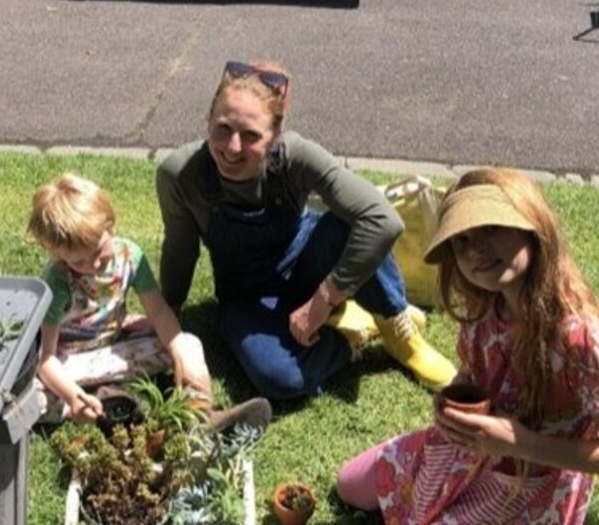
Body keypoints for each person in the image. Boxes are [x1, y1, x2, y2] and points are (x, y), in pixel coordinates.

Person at [336, 168, 599, 524]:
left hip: (534, 478)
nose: (476, 251)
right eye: (462, 240)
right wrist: (455, 395)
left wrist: (515, 441)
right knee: (349, 484)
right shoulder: (486, 302)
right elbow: (476, 369)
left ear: (532, 226)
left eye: (491, 228)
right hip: (478, 446)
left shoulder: (581, 338)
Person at [155, 60, 456, 400]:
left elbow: (382, 219)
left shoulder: (295, 156)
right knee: (279, 379)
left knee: (350, 225)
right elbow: (180, 249)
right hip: (245, 296)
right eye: (222, 128)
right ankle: (351, 337)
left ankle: (399, 331)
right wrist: (168, 313)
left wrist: (324, 300)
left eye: (251, 135)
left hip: (309, 264)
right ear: (207, 121)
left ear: (274, 137)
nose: (232, 148)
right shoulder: (180, 173)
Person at [27, 173, 271, 429]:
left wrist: (177, 352)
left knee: (187, 343)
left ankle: (201, 414)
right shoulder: (57, 282)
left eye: (99, 251)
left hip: (113, 346)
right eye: (79, 261)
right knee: (31, 400)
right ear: (57, 254)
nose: (94, 265)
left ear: (109, 225)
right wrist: (73, 397)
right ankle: (105, 400)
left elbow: (160, 312)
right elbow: (47, 359)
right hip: (70, 362)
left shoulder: (129, 256)